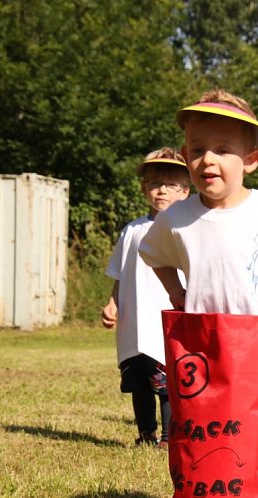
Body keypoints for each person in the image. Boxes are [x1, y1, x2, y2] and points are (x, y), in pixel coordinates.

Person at [138, 89, 258, 319]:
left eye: (222, 150)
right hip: (201, 342)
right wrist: (174, 290)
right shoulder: (176, 217)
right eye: (197, 150)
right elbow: (152, 252)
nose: (208, 159)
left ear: (250, 160)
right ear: (185, 155)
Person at [101, 148, 190, 448]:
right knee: (138, 382)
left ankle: (168, 436)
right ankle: (145, 434)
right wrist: (113, 302)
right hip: (134, 319)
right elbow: (120, 273)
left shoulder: (185, 228)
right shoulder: (131, 230)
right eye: (154, 183)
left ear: (186, 190)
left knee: (167, 383)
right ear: (144, 189)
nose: (161, 189)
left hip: (166, 318)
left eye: (170, 184)